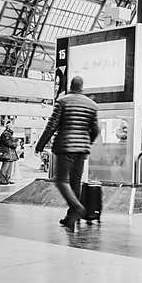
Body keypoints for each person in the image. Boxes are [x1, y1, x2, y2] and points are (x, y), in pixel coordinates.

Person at [35, 76, 99, 232]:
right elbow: (96, 130)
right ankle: (71, 218)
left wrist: (40, 145)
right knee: (75, 183)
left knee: (61, 181)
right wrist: (87, 142)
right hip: (82, 149)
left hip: (65, 147)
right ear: (82, 87)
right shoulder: (91, 105)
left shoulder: (63, 101)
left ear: (71, 86)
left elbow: (51, 126)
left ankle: (77, 207)